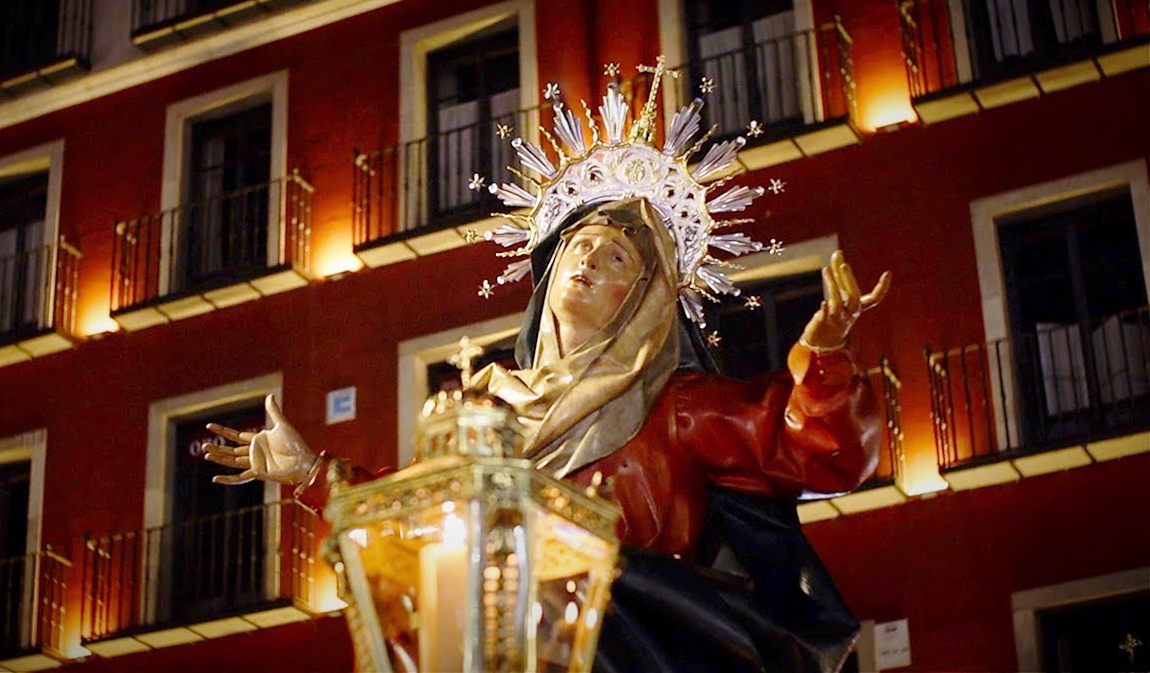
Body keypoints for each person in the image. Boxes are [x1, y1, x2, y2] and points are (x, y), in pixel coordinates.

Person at [205, 196, 889, 673]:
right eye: (580, 247)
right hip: (491, 642)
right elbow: (423, 512)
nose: (589, 262)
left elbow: (817, 450)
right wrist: (311, 474)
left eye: (618, 259)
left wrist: (824, 357)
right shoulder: (487, 401)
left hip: (625, 641)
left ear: (645, 302)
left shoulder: (676, 404)